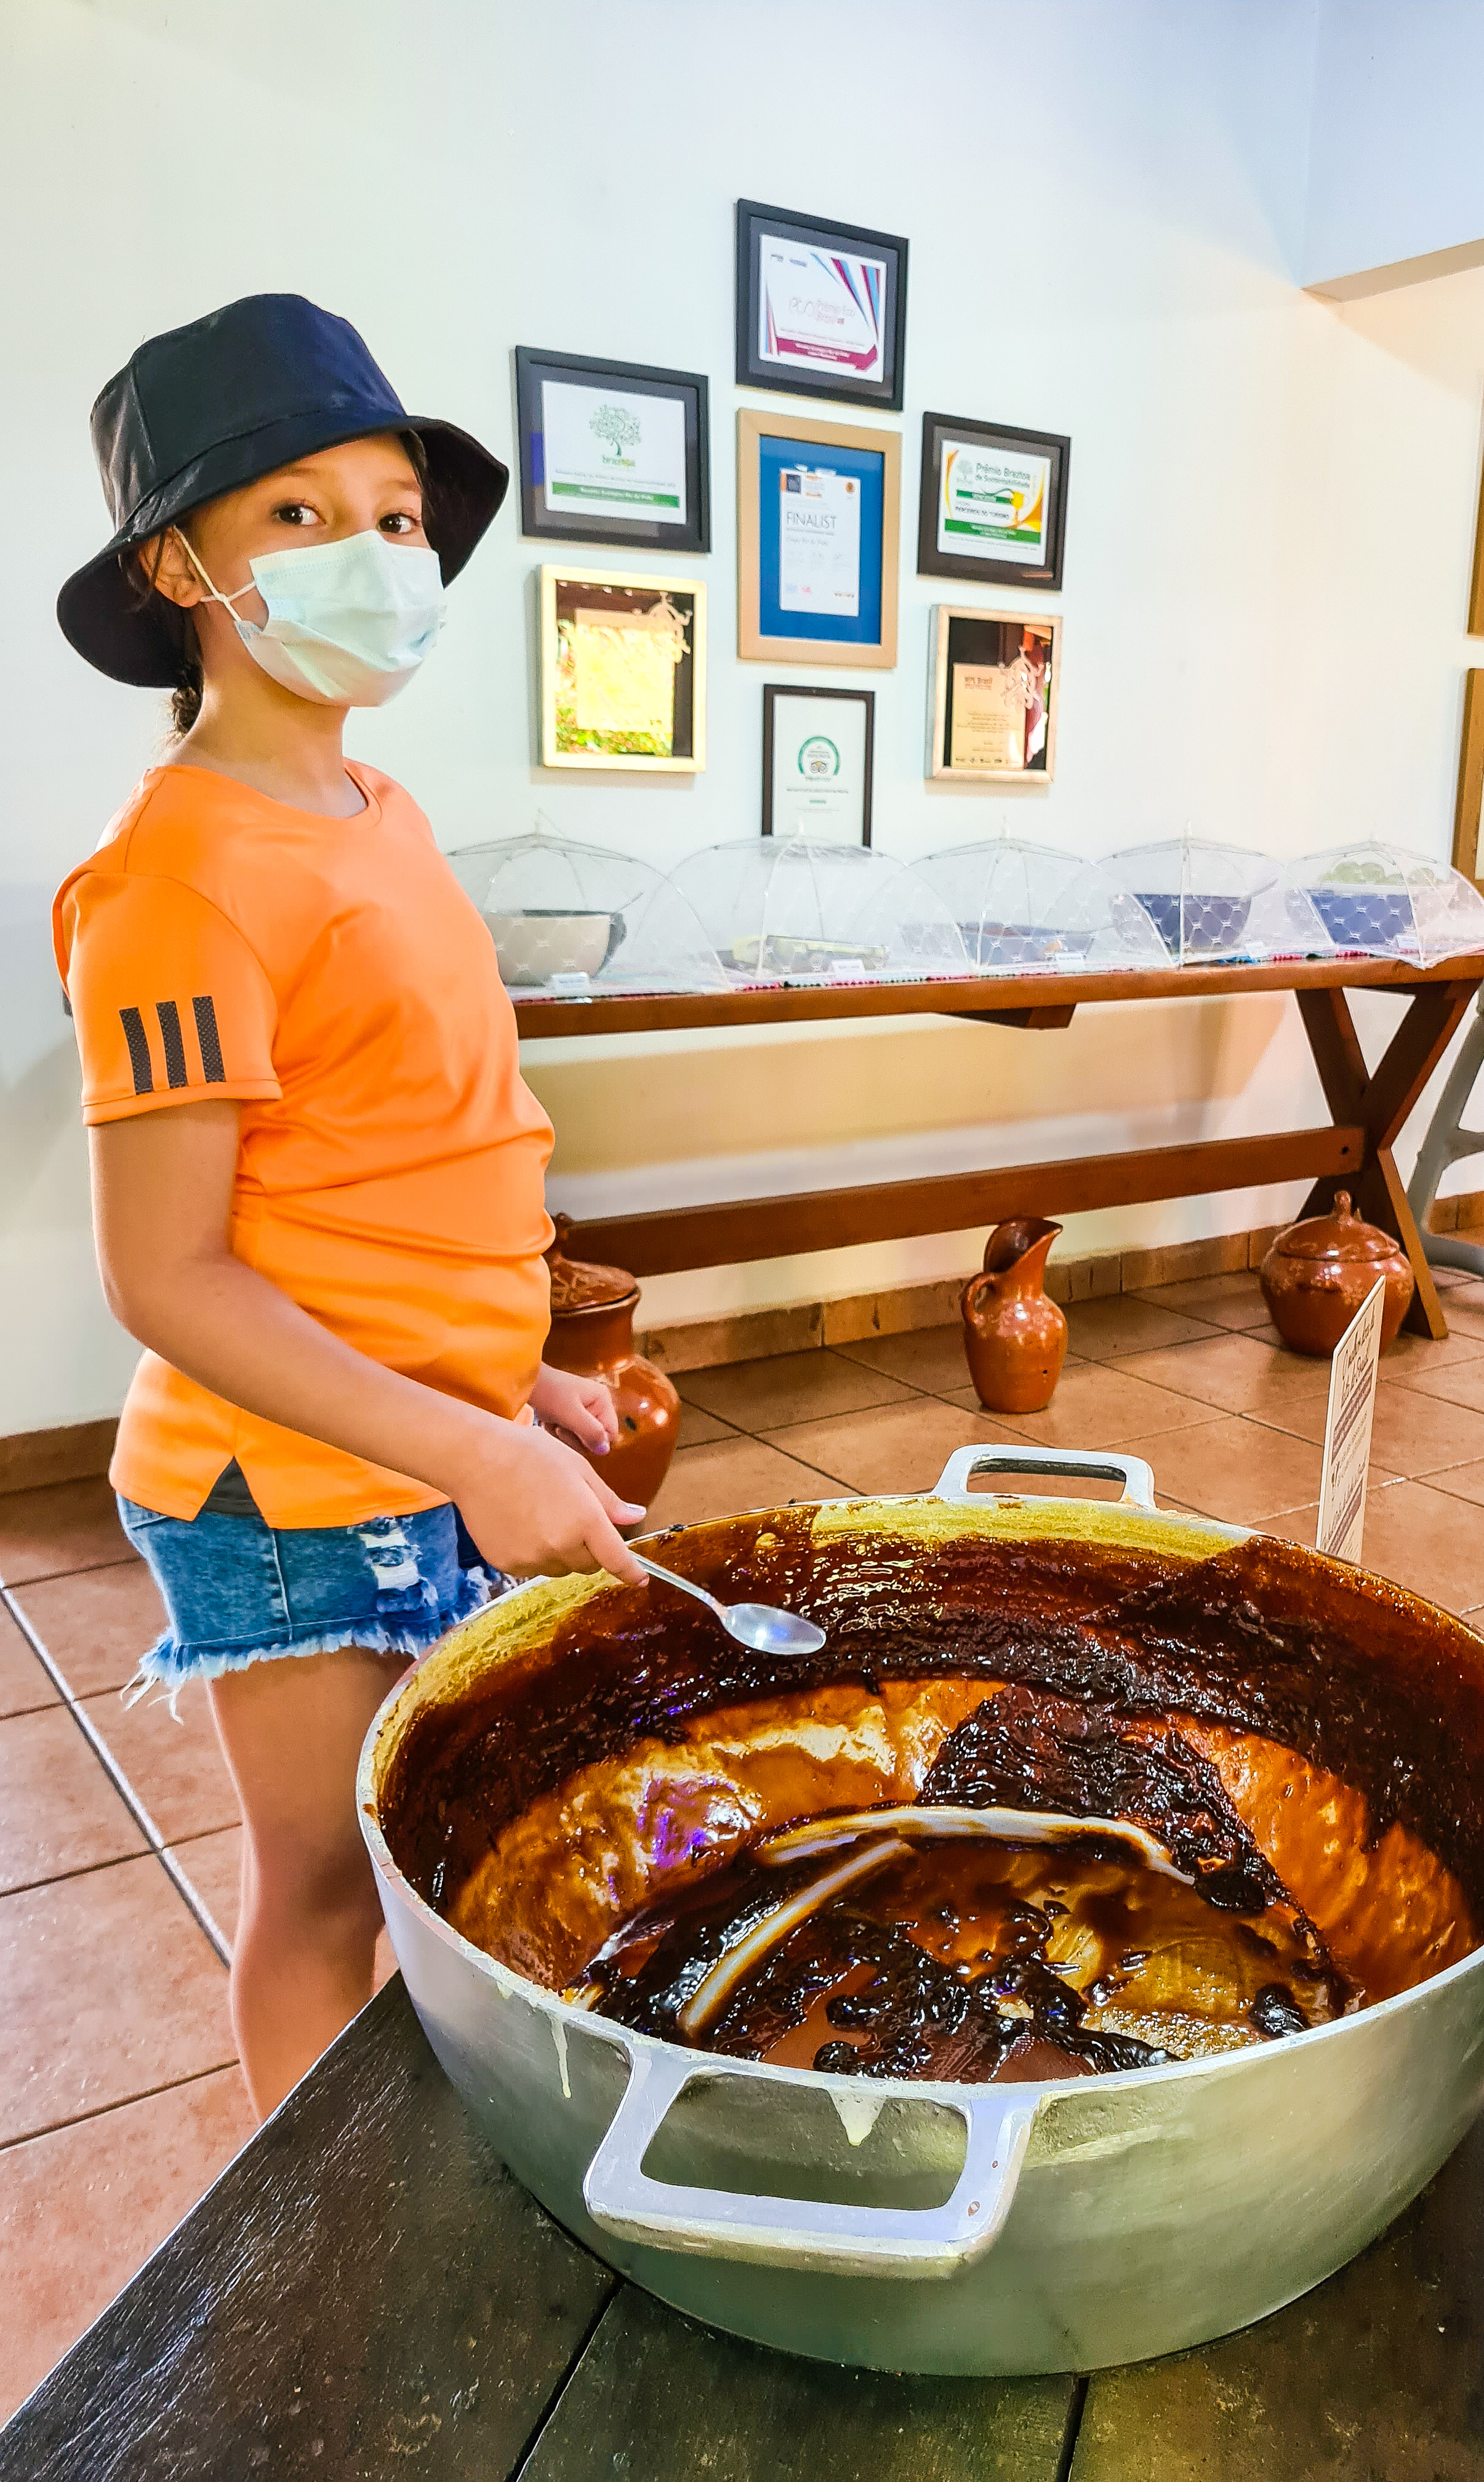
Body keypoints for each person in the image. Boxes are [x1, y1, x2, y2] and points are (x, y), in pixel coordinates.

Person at [52, 295, 645, 2118]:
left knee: (440, 1848)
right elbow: (171, 1276)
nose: (375, 557)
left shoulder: (372, 802)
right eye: (298, 518)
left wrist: (511, 1385)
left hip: (417, 1430)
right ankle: (309, 2252)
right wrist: (469, 1454)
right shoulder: (172, 882)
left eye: (397, 516)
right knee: (322, 1893)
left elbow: (397, 1163)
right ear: (181, 569)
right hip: (286, 1491)